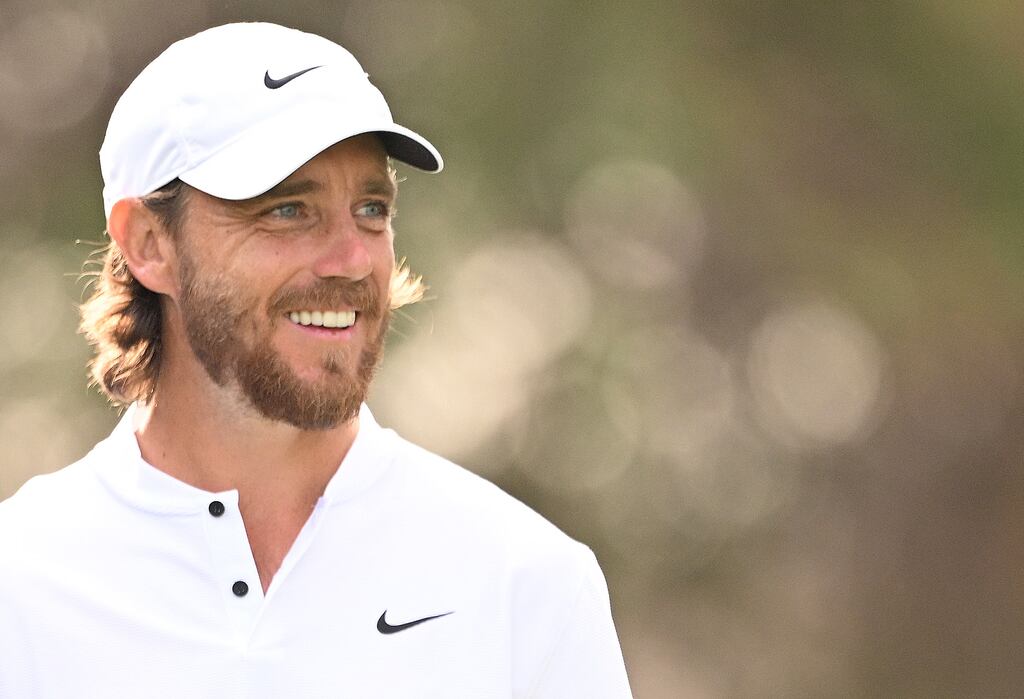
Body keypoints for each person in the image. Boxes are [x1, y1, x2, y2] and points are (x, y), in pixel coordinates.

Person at [0, 21, 632, 699]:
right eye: (288, 210)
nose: (353, 259)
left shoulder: (527, 585)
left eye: (371, 209)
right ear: (150, 243)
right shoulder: (21, 583)